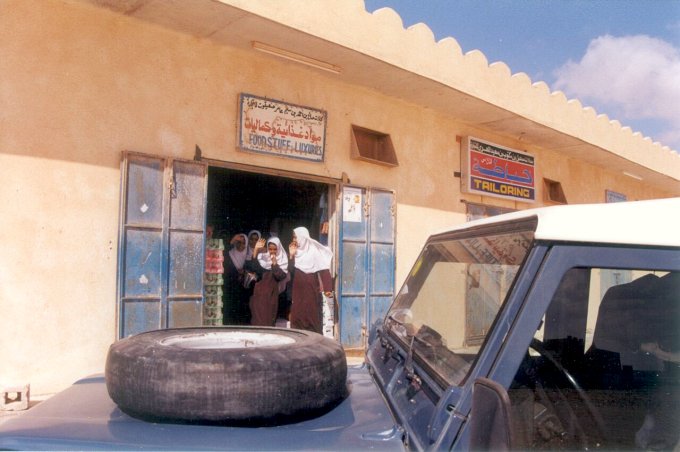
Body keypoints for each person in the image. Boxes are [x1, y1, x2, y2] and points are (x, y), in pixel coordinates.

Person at [288, 226, 333, 334]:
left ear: (302, 237)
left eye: (296, 237)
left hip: (310, 288)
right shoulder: (295, 252)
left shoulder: (314, 251)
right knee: (297, 312)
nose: (294, 240)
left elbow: (324, 270)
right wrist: (291, 255)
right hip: (297, 288)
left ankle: (313, 336)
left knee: (310, 312)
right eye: (293, 238)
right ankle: (298, 336)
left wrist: (328, 289)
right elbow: (289, 271)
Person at [246, 237, 289, 327]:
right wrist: (256, 250)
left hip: (271, 295)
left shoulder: (282, 260)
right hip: (258, 295)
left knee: (268, 319)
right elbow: (253, 269)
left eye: (274, 249)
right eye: (270, 249)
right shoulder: (262, 258)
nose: (272, 251)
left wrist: (275, 265)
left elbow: (280, 276)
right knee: (257, 319)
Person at [223, 233, 250, 324]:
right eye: (238, 242)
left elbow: (253, 268)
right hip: (232, 288)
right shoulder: (230, 254)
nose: (241, 245)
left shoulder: (248, 255)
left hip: (244, 289)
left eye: (243, 243)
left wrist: (244, 271)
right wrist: (231, 241)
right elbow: (222, 253)